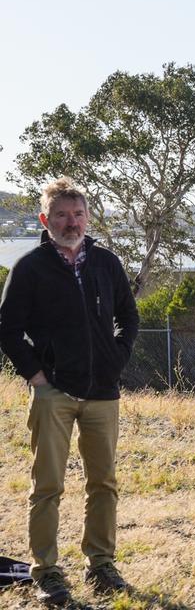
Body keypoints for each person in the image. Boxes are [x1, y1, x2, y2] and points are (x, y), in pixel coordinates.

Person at [0, 178, 138, 605]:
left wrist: (115, 360)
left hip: (103, 393)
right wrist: (37, 376)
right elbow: (7, 328)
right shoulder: (31, 267)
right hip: (54, 394)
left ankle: (101, 563)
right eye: (61, 214)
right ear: (45, 219)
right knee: (48, 486)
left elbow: (127, 319)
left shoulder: (106, 263)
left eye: (77, 214)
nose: (70, 222)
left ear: (88, 217)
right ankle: (46, 571)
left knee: (104, 483)